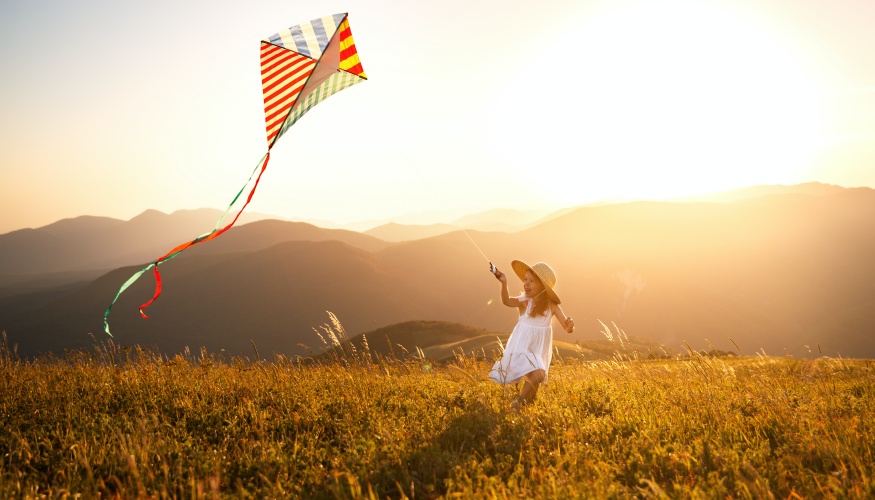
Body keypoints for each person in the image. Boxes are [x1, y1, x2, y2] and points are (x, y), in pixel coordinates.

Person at [488, 260, 574, 409]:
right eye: (525, 280)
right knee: (539, 374)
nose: (526, 284)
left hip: (537, 350)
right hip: (522, 348)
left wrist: (570, 326)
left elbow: (567, 328)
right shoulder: (524, 302)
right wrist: (503, 282)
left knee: (534, 390)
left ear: (542, 286)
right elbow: (507, 301)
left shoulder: (552, 306)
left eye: (532, 281)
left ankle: (525, 405)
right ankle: (517, 403)